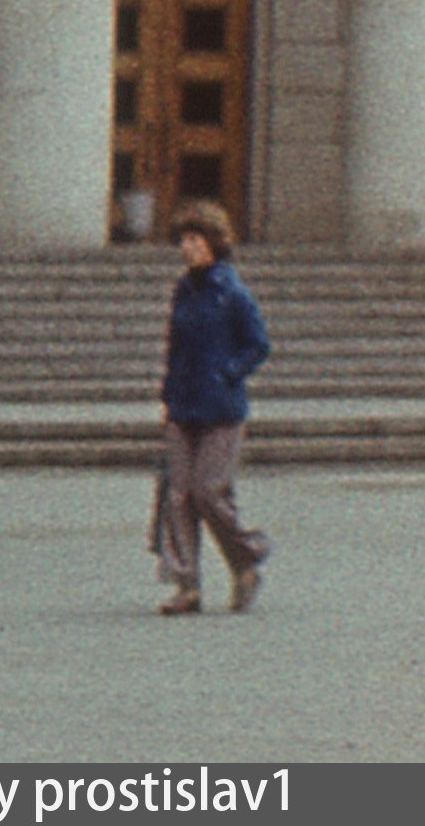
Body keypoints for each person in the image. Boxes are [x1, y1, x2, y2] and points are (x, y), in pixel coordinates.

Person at [153, 196, 273, 614]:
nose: (187, 248)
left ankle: (247, 557)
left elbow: (258, 344)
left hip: (221, 407)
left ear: (213, 243)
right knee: (180, 496)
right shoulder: (184, 291)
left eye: (194, 239)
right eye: (183, 240)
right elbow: (175, 345)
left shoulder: (232, 292)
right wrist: (168, 394)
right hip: (183, 404)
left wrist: (228, 372)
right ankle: (187, 585)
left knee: (210, 492)